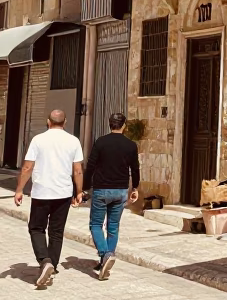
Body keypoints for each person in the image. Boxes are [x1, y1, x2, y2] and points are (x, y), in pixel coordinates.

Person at [14, 109, 84, 288]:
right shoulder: (73, 141)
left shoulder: (38, 140)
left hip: (42, 192)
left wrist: (19, 190)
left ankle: (45, 261)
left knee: (36, 228)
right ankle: (52, 264)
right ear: (65, 122)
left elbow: (27, 167)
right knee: (56, 231)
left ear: (48, 121)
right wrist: (79, 192)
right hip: (63, 193)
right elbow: (77, 170)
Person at [83, 112, 140, 280]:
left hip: (101, 190)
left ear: (110, 124)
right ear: (124, 126)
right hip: (120, 191)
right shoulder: (131, 145)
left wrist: (85, 188)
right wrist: (135, 188)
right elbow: (135, 168)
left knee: (95, 225)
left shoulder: (101, 142)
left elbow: (91, 166)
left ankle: (105, 254)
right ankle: (106, 260)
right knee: (113, 227)